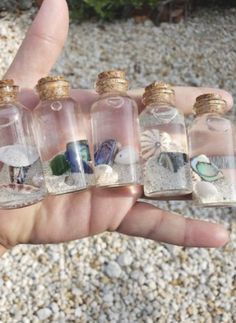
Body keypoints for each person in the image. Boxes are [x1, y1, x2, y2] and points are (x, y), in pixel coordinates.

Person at [0, 0, 232, 257]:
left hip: (128, 172)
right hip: (55, 182)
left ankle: (220, 186)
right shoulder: (32, 111)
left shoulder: (138, 108)